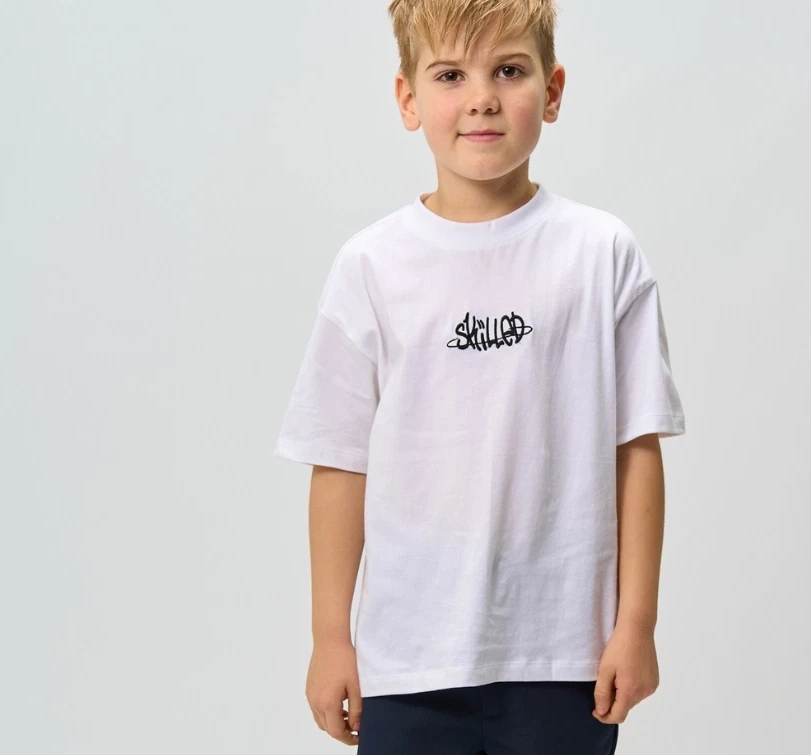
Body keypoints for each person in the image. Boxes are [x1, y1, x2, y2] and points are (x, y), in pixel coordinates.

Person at [273, 0, 686, 751]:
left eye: (509, 70)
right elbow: (338, 462)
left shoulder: (601, 254)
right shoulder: (371, 267)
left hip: (565, 657)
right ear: (408, 99)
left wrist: (637, 624)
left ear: (552, 91)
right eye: (450, 76)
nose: (482, 98)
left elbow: (636, 450)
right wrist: (330, 637)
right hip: (408, 659)